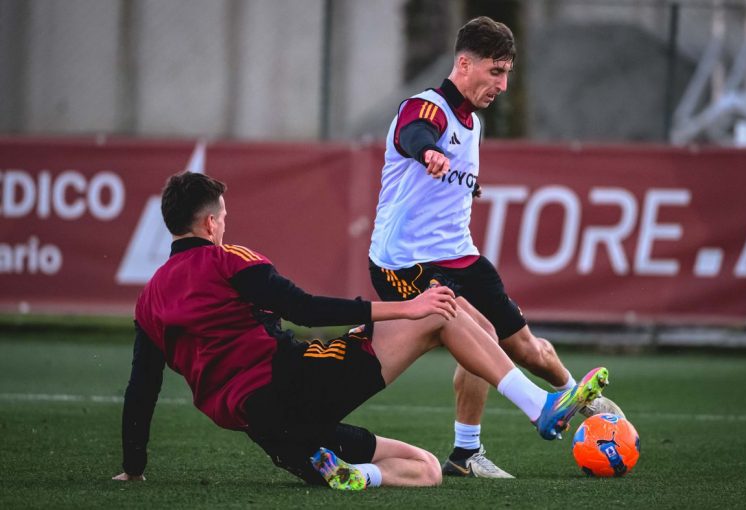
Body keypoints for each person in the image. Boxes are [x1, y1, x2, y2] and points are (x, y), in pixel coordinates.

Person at [112, 172, 610, 490]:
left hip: (273, 433)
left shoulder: (149, 299)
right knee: (439, 310)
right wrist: (404, 308)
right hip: (296, 382)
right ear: (210, 224)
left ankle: (356, 475)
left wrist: (134, 466)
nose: (225, 226)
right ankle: (539, 406)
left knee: (426, 468)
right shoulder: (227, 260)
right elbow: (305, 309)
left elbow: (142, 388)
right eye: (223, 218)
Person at [368, 16, 624, 479]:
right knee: (480, 332)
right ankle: (472, 448)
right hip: (404, 263)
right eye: (496, 72)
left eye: (507, 73)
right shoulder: (427, 107)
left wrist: (463, 185)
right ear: (464, 64)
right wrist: (427, 152)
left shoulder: (475, 124)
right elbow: (414, 133)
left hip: (460, 255)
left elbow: (447, 179)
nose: (503, 85)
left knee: (527, 347)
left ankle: (583, 400)